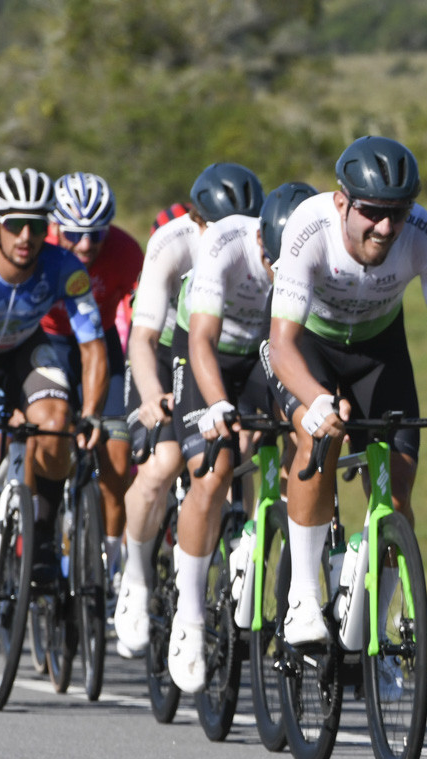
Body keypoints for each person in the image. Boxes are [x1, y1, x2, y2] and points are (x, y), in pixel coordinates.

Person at [265, 135, 427, 646]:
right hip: (312, 344)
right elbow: (280, 346)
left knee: (396, 489)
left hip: (378, 351)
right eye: (372, 212)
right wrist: (317, 401)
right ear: (342, 201)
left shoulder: (424, 235)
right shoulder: (308, 226)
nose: (387, 227)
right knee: (313, 440)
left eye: (399, 212)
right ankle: (303, 594)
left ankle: (378, 626)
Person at [166, 181, 314, 692]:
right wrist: (217, 405)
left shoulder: (310, 253)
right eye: (274, 263)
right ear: (260, 244)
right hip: (204, 351)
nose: (280, 275)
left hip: (261, 353)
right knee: (214, 470)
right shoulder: (225, 243)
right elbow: (200, 339)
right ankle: (188, 615)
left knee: (301, 433)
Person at [113, 163, 263, 658]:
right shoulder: (172, 242)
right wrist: (152, 395)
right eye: (222, 228)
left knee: (239, 448)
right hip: (168, 351)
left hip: (230, 350)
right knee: (164, 462)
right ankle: (134, 577)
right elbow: (143, 338)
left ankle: (235, 535)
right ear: (199, 223)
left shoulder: (261, 245)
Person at [0, 167, 107, 588]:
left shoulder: (64, 267)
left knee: (57, 426)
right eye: (16, 224)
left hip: (23, 352)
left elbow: (93, 346)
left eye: (36, 225)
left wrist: (91, 412)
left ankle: (42, 535)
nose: (26, 237)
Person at [43, 172, 144, 602]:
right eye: (73, 234)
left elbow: (143, 316)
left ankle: (109, 564)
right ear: (55, 227)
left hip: (101, 346)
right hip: (49, 341)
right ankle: (42, 535)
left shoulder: (125, 252)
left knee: (118, 462)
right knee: (52, 426)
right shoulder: (39, 247)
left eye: (95, 234)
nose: (85, 245)